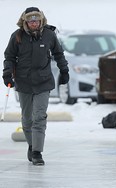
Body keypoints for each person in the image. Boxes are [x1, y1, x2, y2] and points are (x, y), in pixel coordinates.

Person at [2, 7, 69, 166]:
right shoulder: (17, 36)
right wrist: (7, 73)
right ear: (25, 21)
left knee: (39, 116)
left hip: (43, 82)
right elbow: (9, 57)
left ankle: (37, 152)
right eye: (31, 20)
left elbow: (59, 54)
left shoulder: (49, 35)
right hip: (24, 82)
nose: (34, 23)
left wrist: (64, 70)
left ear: (41, 20)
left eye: (36, 19)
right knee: (27, 119)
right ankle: (32, 145)